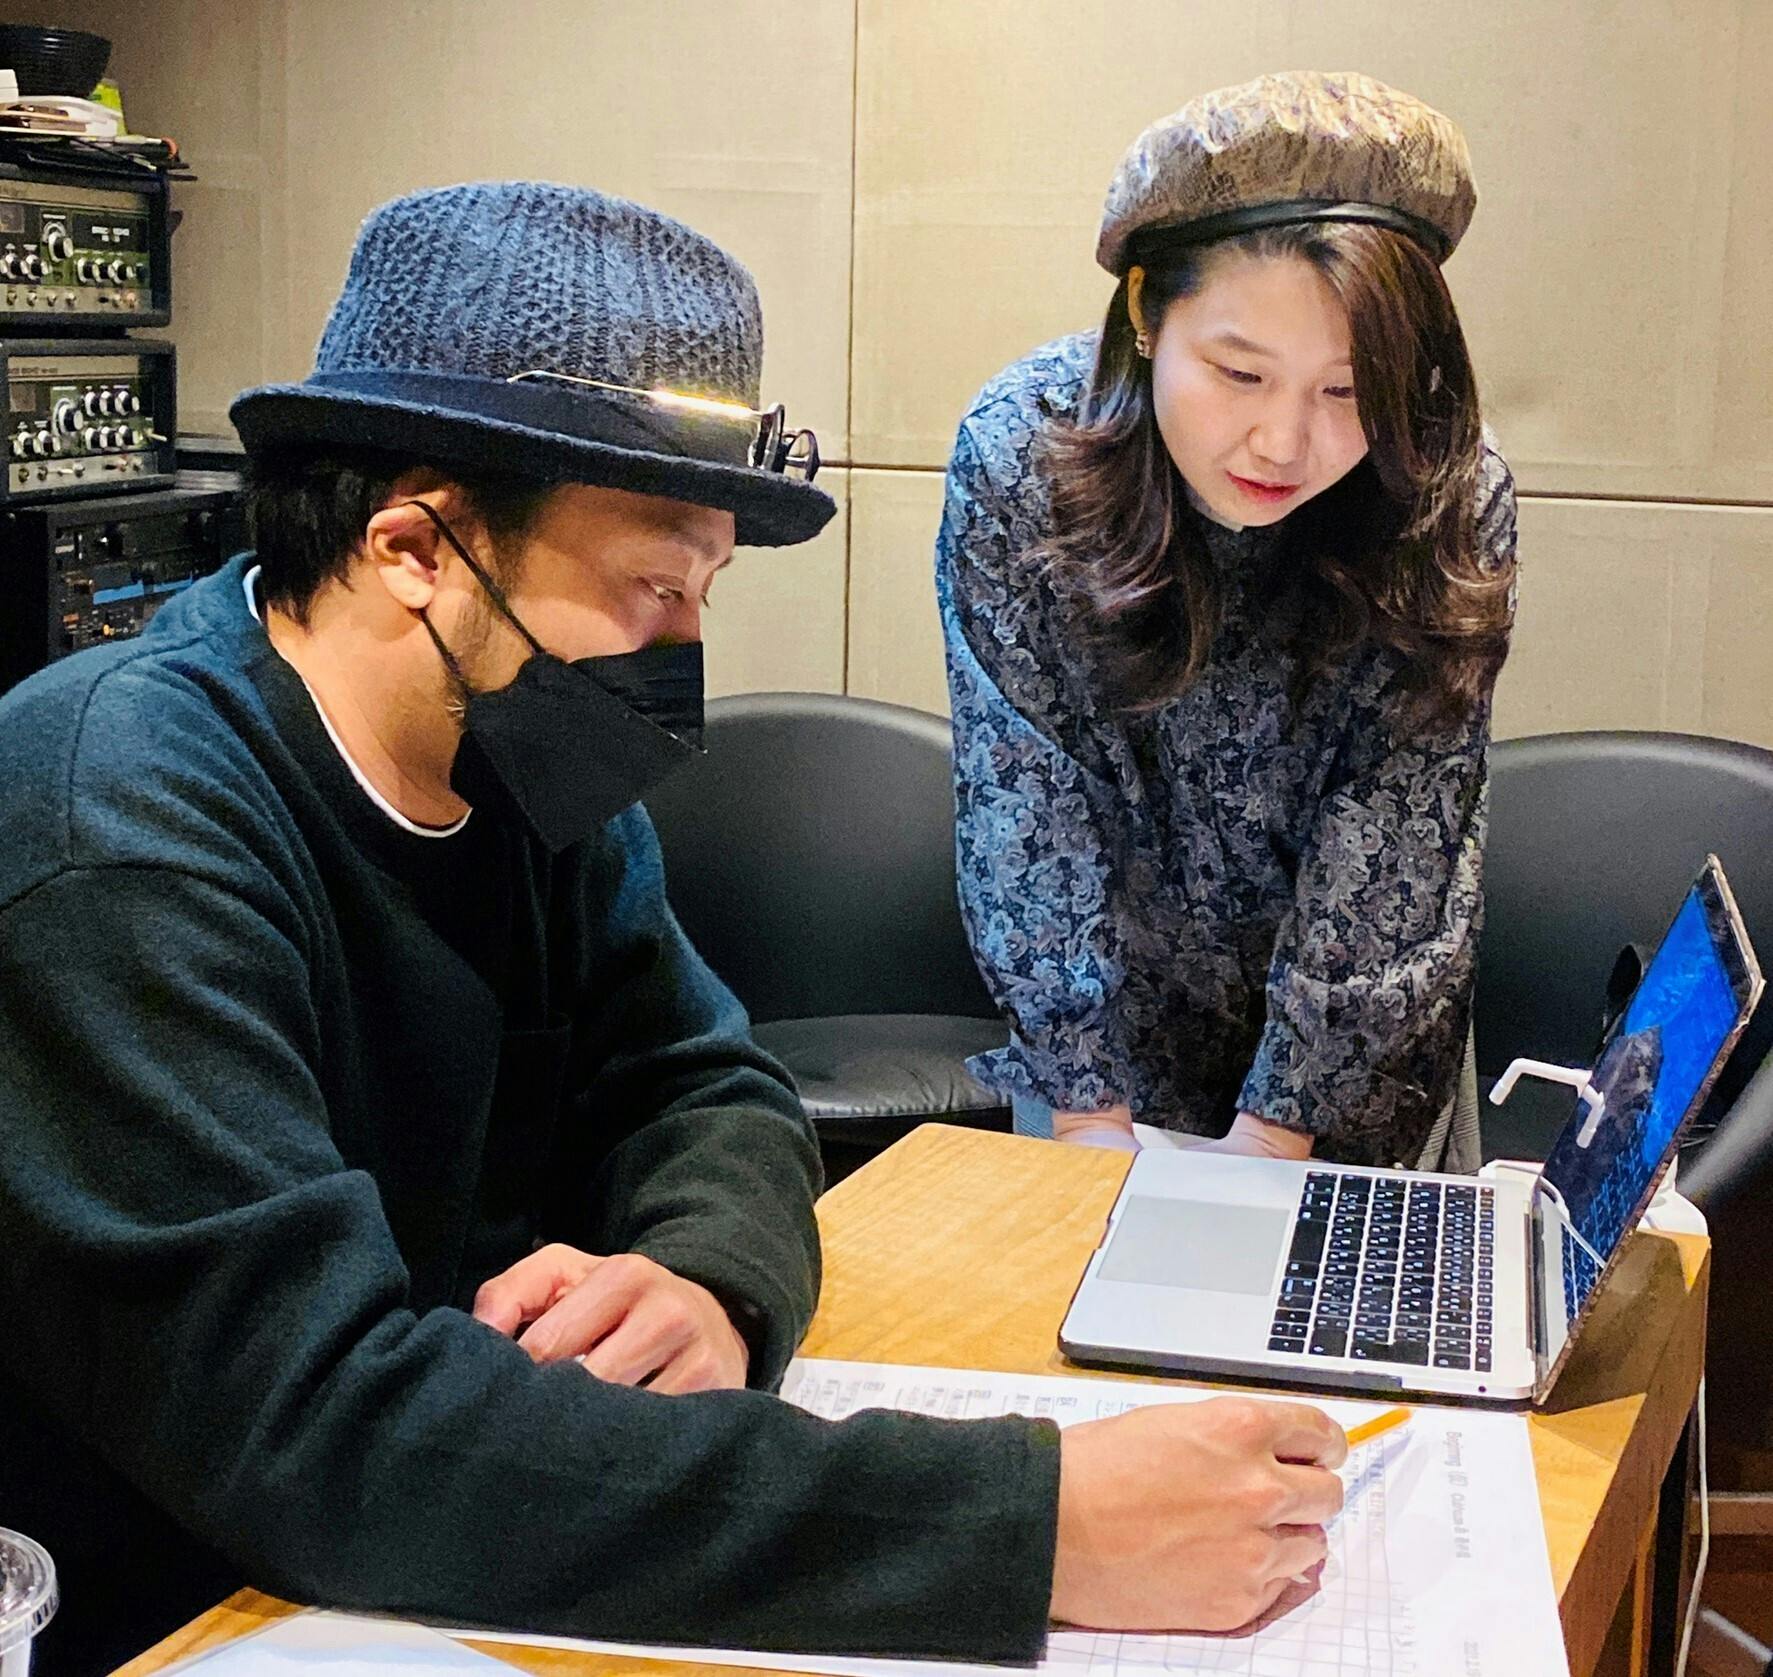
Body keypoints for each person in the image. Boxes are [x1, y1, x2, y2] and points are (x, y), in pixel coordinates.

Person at [0, 182, 1345, 1677]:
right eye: (653, 586)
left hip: (451, 1545)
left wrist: (707, 1280)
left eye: (706, 589)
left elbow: (708, 1086)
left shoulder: (523, 763)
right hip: (173, 1609)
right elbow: (312, 1427)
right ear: (414, 549)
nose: (683, 652)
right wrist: (1030, 1526)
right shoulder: (114, 824)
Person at [938, 72, 1518, 1167]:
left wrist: (1278, 1128)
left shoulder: (1444, 487)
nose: (1282, 444)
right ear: (1146, 313)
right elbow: (1023, 796)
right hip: (1106, 1040)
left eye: (1348, 390)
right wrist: (1085, 1111)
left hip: (1360, 1045)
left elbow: (1395, 818)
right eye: (1239, 372)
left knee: (1334, 1275)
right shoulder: (1024, 455)